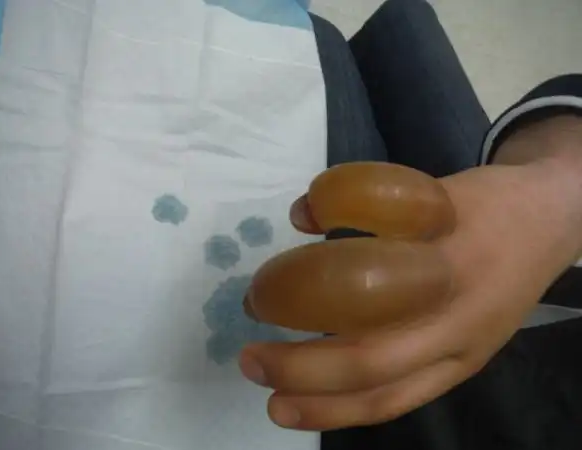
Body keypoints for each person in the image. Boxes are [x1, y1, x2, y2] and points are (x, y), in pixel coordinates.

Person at [239, 1, 582, 448]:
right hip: (522, 246)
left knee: (320, 44)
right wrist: (560, 187)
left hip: (420, 405)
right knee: (404, 21)